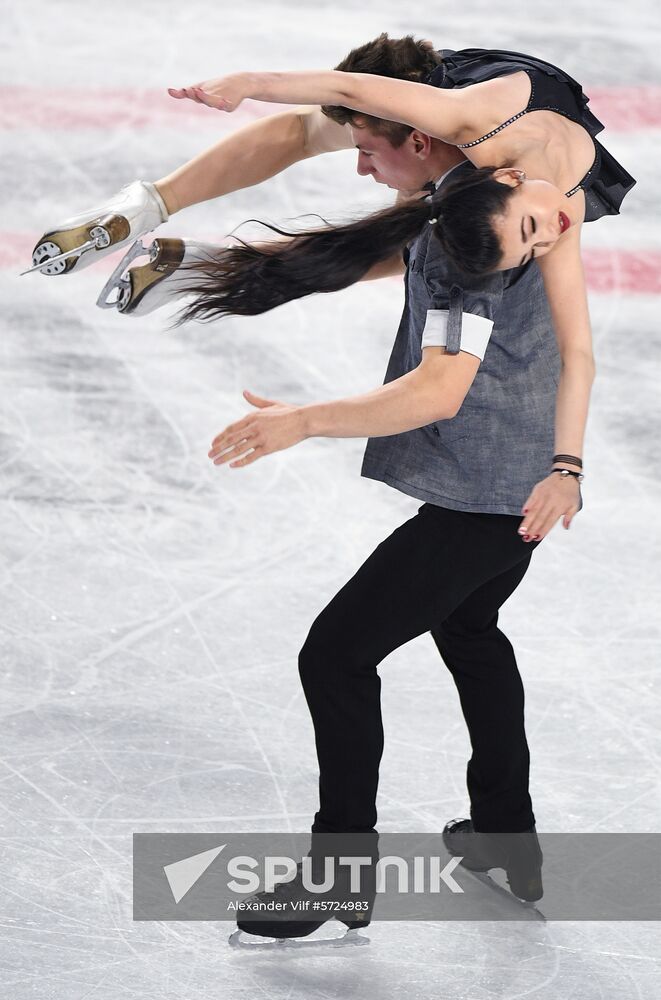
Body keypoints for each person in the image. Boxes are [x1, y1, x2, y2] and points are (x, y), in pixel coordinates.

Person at [25, 36, 592, 939]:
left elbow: (435, 388)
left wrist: (300, 420)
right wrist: (566, 464)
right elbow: (330, 162)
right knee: (469, 630)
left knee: (334, 657)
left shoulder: (469, 235)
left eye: (369, 151)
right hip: (518, 482)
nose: (361, 168)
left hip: (488, 494)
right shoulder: (533, 198)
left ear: (419, 139)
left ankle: (339, 876)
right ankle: (504, 840)